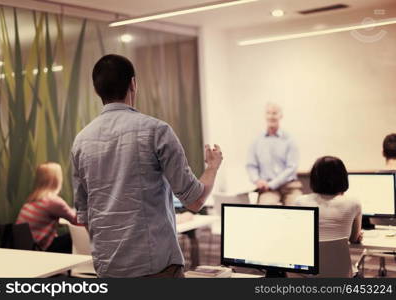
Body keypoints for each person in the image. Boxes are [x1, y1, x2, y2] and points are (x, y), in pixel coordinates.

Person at [71, 54, 222, 278]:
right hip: (156, 269)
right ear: (133, 84)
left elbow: (84, 216)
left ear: (97, 91)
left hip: (107, 269)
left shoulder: (81, 141)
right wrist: (212, 167)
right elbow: (195, 200)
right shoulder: (156, 131)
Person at [293, 156, 363, 243]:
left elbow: (297, 235)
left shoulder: (300, 202)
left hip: (309, 256)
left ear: (314, 177)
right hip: (339, 256)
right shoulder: (354, 203)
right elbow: (354, 239)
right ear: (343, 178)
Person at [246, 102, 302, 205]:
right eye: (268, 113)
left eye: (274, 113)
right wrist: (257, 180)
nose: (271, 116)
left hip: (289, 187)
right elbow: (251, 165)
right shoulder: (256, 140)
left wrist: (272, 184)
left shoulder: (290, 140)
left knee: (298, 208)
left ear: (281, 115)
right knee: (266, 209)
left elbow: (292, 167)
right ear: (265, 115)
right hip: (268, 189)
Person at [16, 162, 77, 253]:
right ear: (57, 179)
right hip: (38, 249)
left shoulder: (34, 198)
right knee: (72, 237)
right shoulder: (52, 201)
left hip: (24, 247)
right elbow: (77, 220)